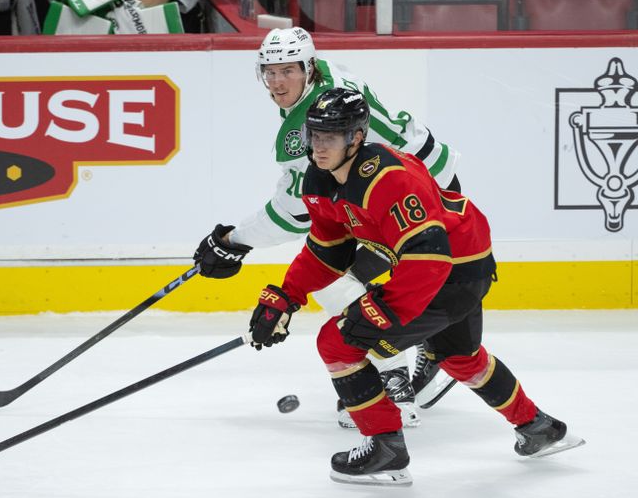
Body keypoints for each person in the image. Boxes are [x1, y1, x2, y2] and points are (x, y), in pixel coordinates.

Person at [248, 88, 585, 486]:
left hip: (453, 269)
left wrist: (387, 309)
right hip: (446, 262)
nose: (319, 147)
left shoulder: (389, 178)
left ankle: (386, 450)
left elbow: (431, 253)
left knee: (338, 342)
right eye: (314, 136)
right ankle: (539, 428)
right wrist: (287, 295)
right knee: (459, 356)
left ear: (356, 137)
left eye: (331, 137)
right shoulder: (320, 180)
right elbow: (328, 251)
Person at [193, 27, 457, 429]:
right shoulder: (329, 78)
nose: (277, 81)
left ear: (308, 67)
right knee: (358, 276)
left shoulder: (308, 128)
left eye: (287, 71)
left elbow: (295, 214)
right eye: (270, 71)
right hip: (423, 177)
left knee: (339, 282)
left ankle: (395, 384)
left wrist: (235, 241)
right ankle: (429, 354)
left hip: (414, 198)